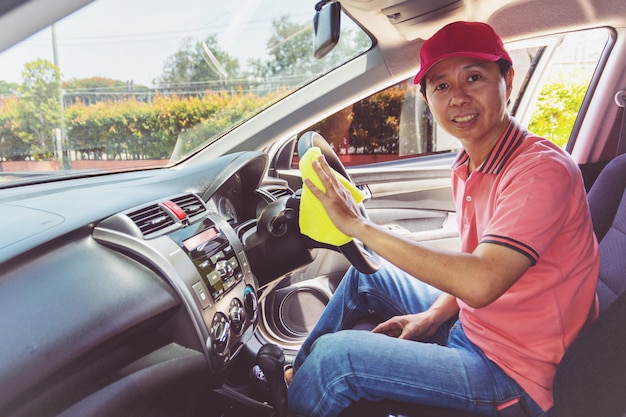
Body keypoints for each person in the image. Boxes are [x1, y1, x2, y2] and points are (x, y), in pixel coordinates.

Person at [286, 21, 599, 417]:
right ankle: (297, 379)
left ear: (508, 80)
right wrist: (432, 315)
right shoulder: (470, 163)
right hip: (479, 330)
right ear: (428, 99)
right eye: (442, 86)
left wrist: (358, 226)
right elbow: (472, 264)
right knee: (367, 274)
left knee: (337, 360)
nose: (459, 98)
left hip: (519, 373)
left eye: (474, 77)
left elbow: (481, 280)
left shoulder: (540, 171)